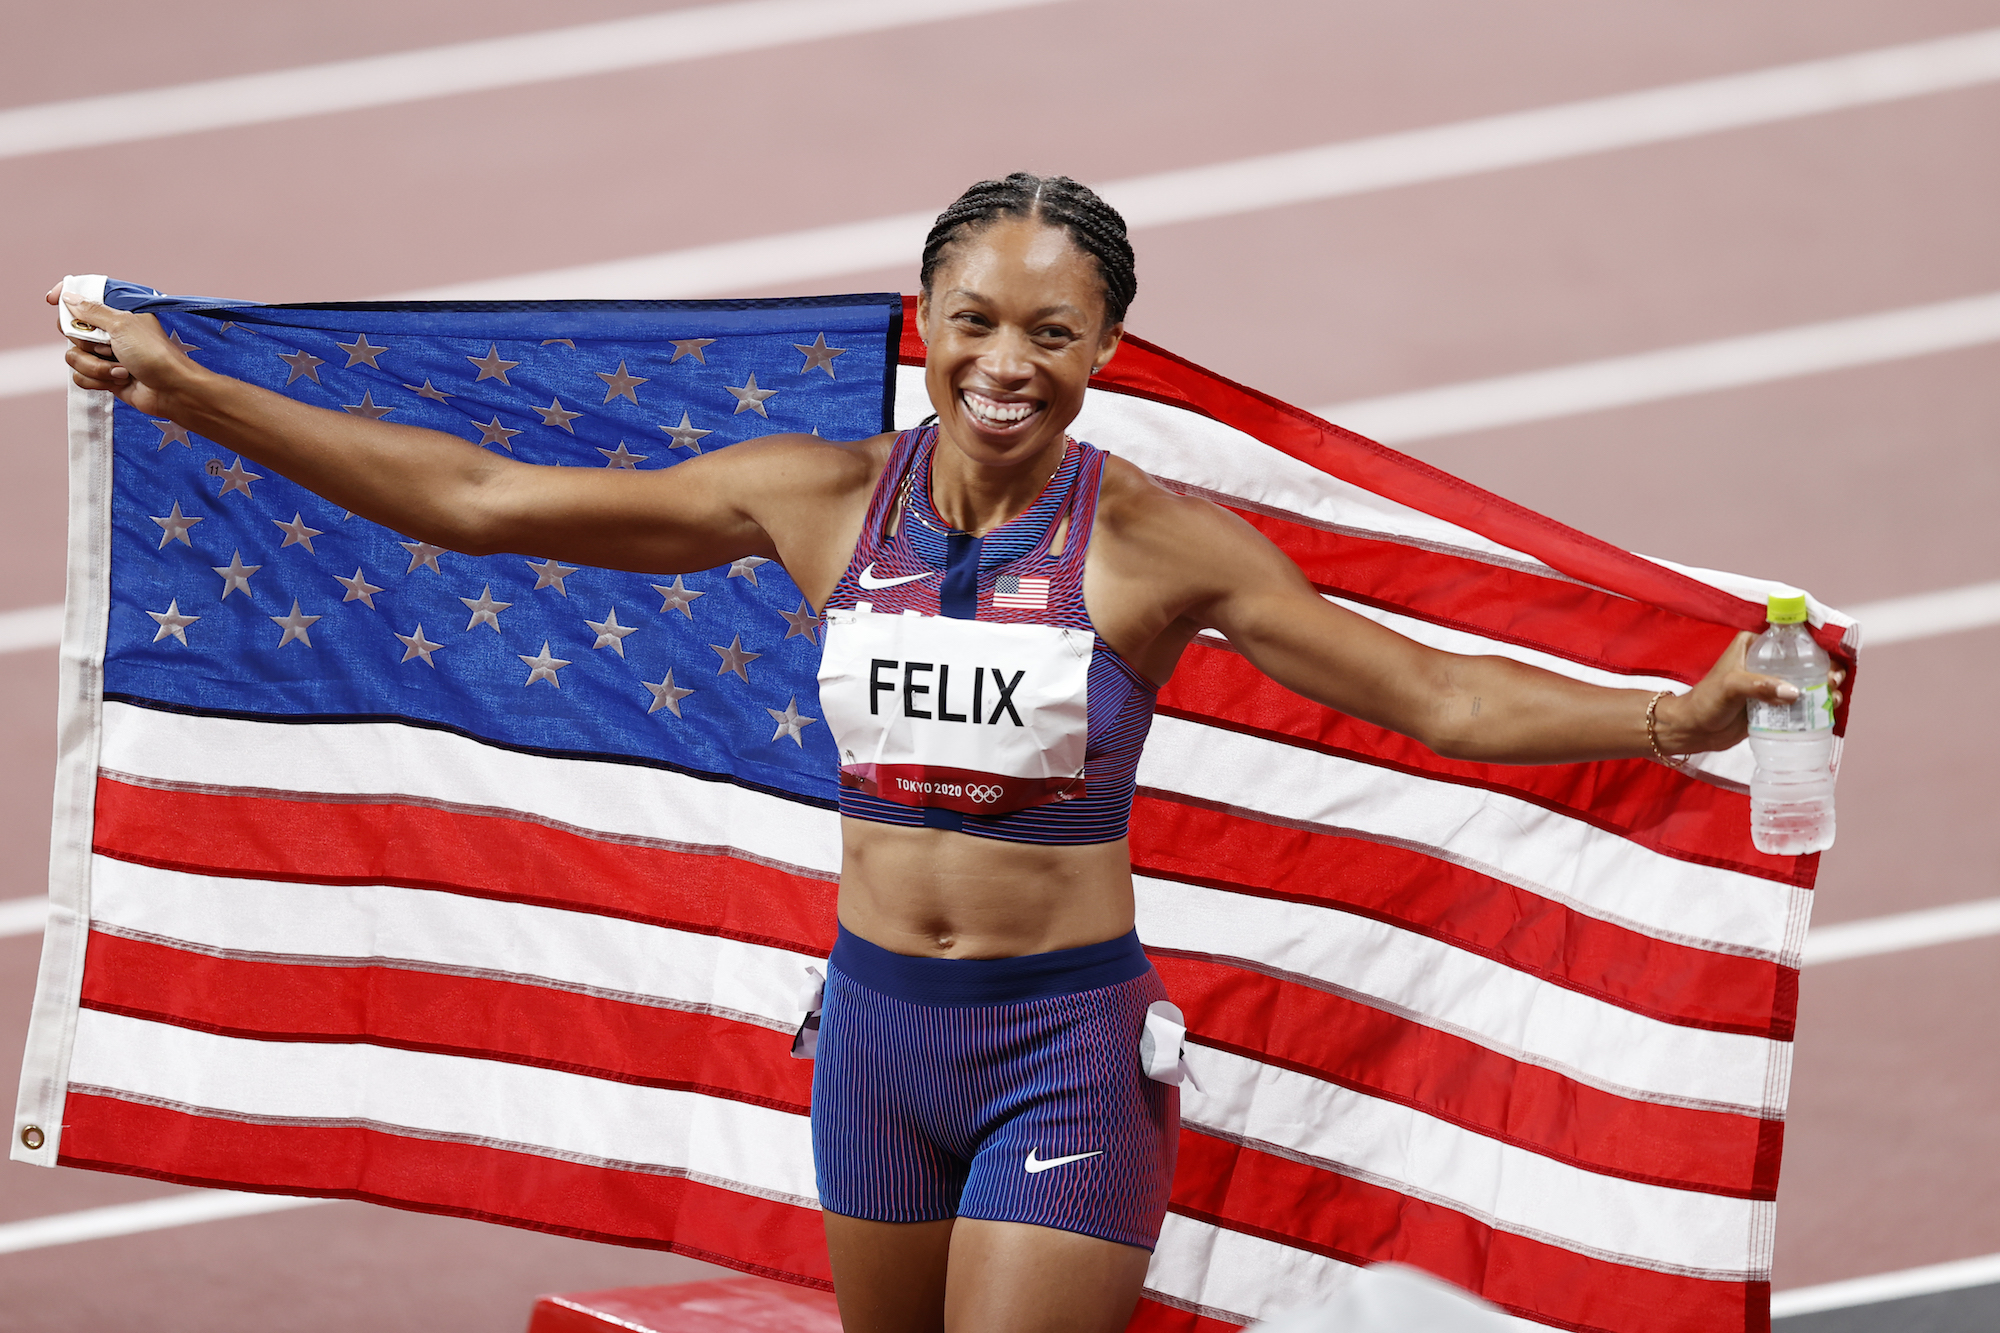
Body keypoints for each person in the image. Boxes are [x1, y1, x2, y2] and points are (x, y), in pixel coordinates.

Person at [51, 172, 1840, 1333]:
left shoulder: (1161, 545)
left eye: (1051, 332)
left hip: (1062, 1053)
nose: (1007, 363)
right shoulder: (818, 500)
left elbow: (1433, 700)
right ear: (926, 322)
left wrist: (1669, 718)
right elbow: (490, 498)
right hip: (873, 1041)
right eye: (974, 322)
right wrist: (186, 383)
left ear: (1104, 348)